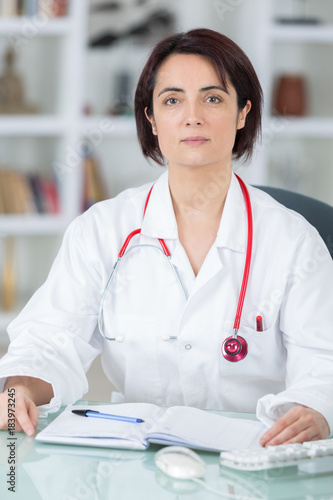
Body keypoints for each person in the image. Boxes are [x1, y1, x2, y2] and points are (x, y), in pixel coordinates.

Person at [0, 29, 332, 447]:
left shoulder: (294, 241)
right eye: (172, 100)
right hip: (134, 459)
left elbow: (324, 361)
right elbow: (50, 338)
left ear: (243, 112)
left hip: (250, 458)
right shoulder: (103, 230)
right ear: (151, 118)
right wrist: (22, 390)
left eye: (213, 98)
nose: (192, 115)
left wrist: (316, 407)